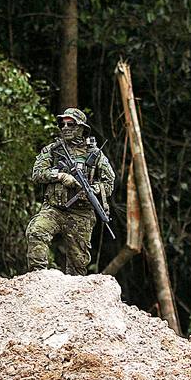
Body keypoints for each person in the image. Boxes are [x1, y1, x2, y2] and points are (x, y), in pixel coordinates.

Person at [26, 108, 115, 274]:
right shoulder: (52, 150)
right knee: (36, 231)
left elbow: (109, 184)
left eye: (70, 124)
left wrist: (92, 189)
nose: (65, 127)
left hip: (81, 214)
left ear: (81, 128)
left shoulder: (95, 155)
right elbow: (37, 174)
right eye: (62, 123)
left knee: (77, 265)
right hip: (54, 209)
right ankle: (38, 277)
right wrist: (59, 175)